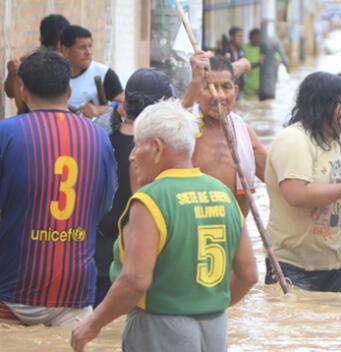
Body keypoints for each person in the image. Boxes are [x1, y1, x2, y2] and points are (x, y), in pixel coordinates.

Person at [70, 99, 257, 352]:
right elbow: (248, 274)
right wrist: (209, 305)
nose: (133, 154)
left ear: (157, 148)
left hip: (160, 329)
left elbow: (135, 280)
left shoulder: (151, 201)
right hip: (214, 328)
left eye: (138, 145)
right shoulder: (223, 194)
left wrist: (92, 323)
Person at [0, 50, 116, 326]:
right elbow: (104, 205)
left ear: (23, 92)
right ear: (68, 90)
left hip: (12, 286)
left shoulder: (6, 133)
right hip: (74, 290)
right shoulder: (98, 137)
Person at [264, 71, 341, 292]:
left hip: (338, 263)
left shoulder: (339, 140)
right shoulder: (294, 140)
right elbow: (296, 194)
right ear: (320, 105)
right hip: (294, 265)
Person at [94, 68, 178, 307]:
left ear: (124, 106)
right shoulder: (165, 155)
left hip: (101, 265)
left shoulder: (100, 143)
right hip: (147, 271)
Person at [188, 54, 267, 216]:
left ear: (235, 91)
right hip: (194, 231)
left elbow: (276, 178)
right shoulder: (184, 130)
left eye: (226, 87)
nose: (220, 96)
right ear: (197, 93)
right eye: (210, 87)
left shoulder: (244, 133)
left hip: (235, 233)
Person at [4, 13, 70, 115]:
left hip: (27, 123)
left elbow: (10, 93)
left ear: (41, 38)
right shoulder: (71, 63)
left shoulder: (27, 63)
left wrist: (12, 75)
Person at [60, 25, 125, 119]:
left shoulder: (104, 74)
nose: (88, 52)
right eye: (82, 47)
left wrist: (98, 110)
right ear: (65, 50)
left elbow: (124, 106)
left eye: (90, 46)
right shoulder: (54, 75)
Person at [218, 26, 247, 97]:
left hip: (239, 87)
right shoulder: (224, 50)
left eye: (242, 36)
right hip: (227, 87)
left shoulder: (241, 50)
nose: (241, 39)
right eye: (239, 36)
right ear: (231, 37)